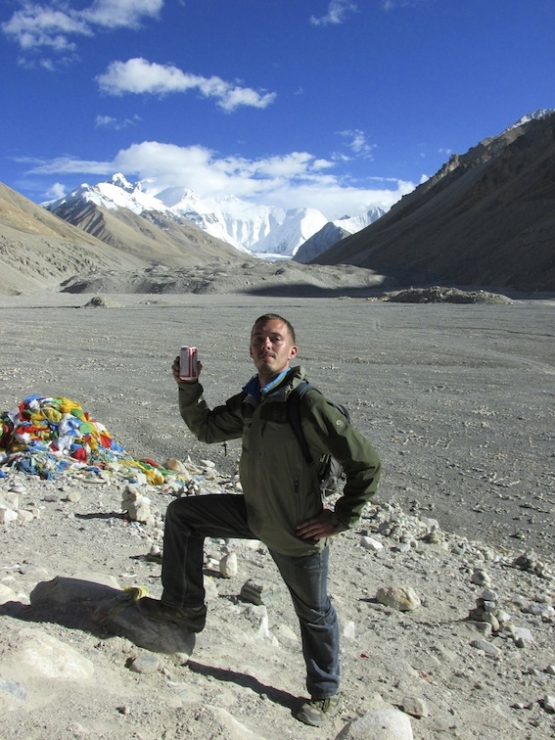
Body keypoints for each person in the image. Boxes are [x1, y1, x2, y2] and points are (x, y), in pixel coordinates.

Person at [137, 313, 381, 726]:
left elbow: (367, 464)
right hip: (252, 514)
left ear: (292, 350)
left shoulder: (307, 403)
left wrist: (339, 518)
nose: (265, 345)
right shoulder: (253, 399)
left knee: (314, 611)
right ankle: (184, 609)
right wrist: (188, 387)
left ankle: (324, 692)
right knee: (183, 515)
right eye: (258, 339)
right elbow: (208, 429)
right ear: (251, 349)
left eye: (275, 338)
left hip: (294, 530)